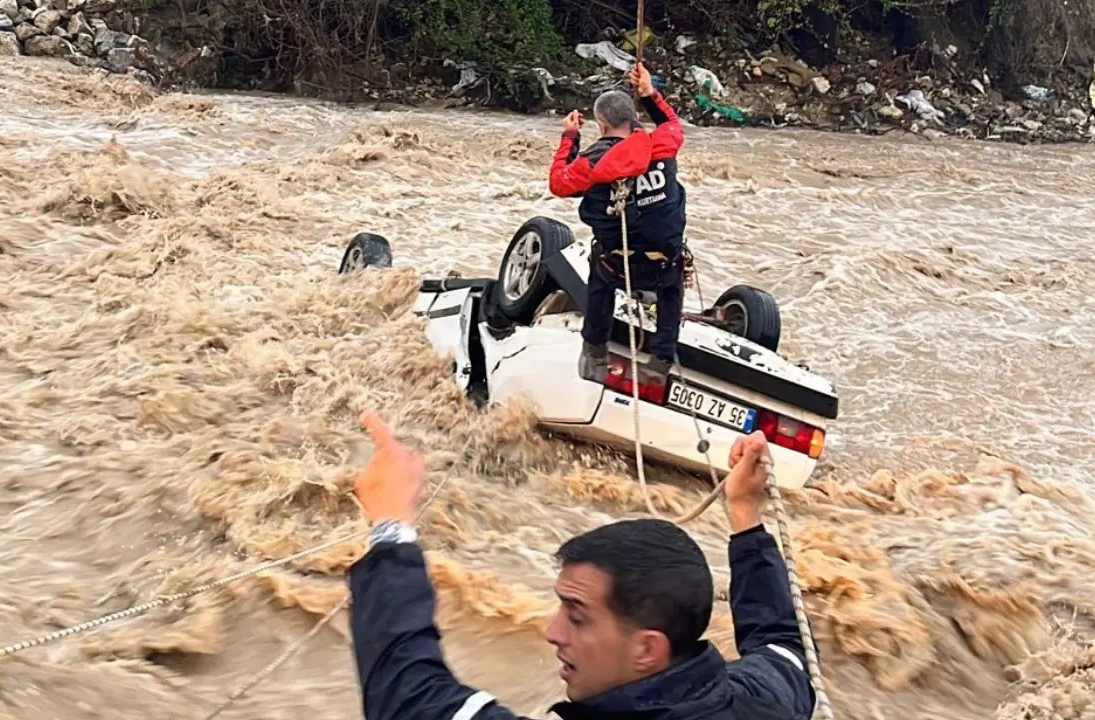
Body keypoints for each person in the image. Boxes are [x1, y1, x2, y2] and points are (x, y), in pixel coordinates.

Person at [347, 410, 817, 720]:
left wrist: (391, 527)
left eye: (576, 616)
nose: (552, 632)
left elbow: (405, 692)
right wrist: (745, 517)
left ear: (647, 650)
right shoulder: (762, 699)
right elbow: (783, 646)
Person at [548, 62, 688, 383]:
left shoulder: (593, 161)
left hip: (618, 263)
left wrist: (570, 135)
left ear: (601, 123)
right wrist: (650, 93)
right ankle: (662, 358)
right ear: (634, 119)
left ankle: (596, 350)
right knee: (673, 279)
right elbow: (672, 122)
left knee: (599, 278)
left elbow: (558, 182)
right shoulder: (664, 143)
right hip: (663, 262)